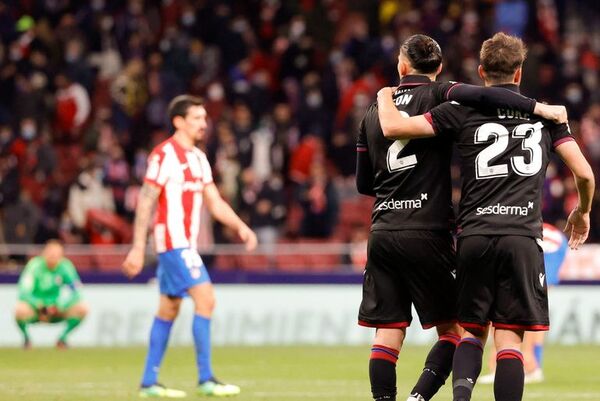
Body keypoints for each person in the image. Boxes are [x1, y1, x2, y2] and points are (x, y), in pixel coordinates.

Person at [377, 32, 594, 401]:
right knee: (509, 338)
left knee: (471, 331)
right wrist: (582, 211)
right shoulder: (547, 117)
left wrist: (384, 96)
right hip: (522, 236)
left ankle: (460, 398)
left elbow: (400, 129)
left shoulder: (459, 111)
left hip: (474, 235)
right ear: (520, 73)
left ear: (480, 71)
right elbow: (585, 174)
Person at [122, 95, 257, 398]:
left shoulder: (198, 158)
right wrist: (136, 247)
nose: (203, 123)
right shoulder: (163, 155)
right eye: (196, 118)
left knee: (168, 309)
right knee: (206, 299)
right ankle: (206, 378)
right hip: (172, 243)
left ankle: (148, 383)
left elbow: (215, 202)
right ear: (178, 121)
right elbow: (146, 201)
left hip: (186, 245)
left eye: (204, 118)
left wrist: (241, 227)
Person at [478, 222, 569, 384]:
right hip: (544, 241)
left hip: (548, 245)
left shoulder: (492, 233)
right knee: (532, 305)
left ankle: (526, 364)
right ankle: (531, 366)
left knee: (526, 305)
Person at [14, 239, 88, 348]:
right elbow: (23, 291)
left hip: (57, 309)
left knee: (82, 308)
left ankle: (62, 339)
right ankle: (27, 340)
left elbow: (77, 291)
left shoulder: (66, 266)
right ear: (44, 252)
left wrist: (60, 305)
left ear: (61, 255)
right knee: (19, 309)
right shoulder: (34, 265)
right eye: (51, 253)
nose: (53, 256)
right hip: (37, 309)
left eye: (57, 254)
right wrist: (39, 305)